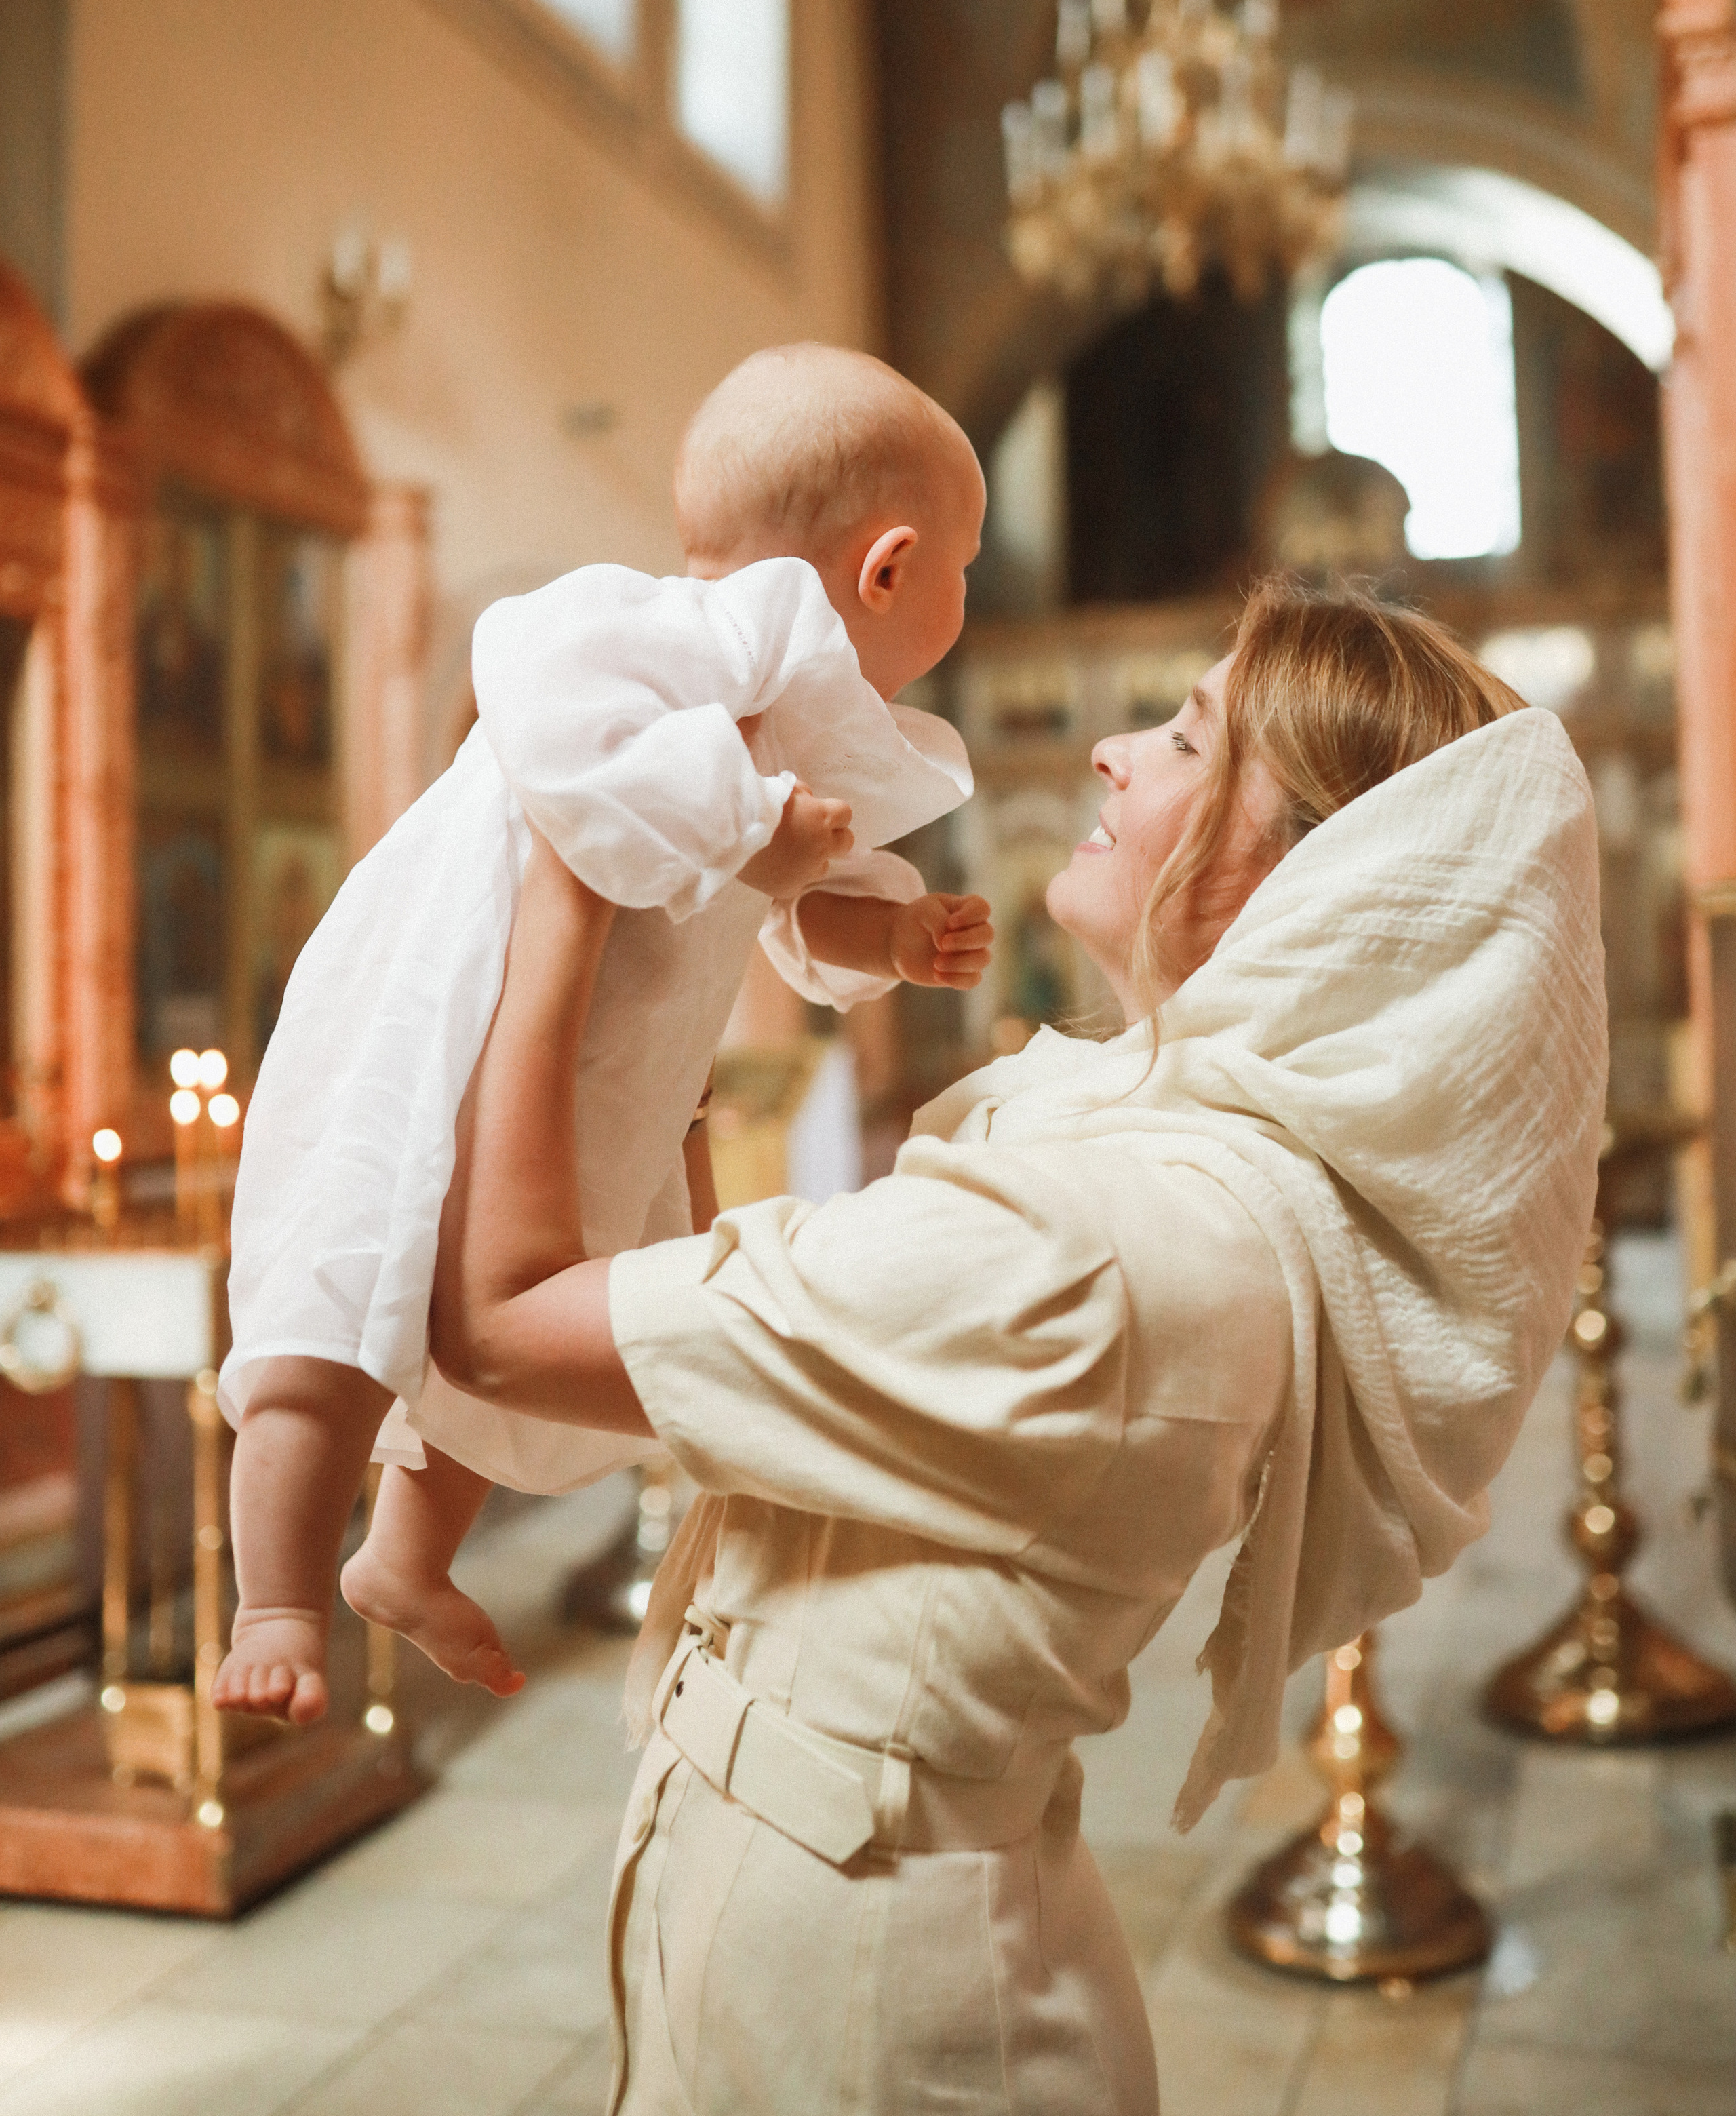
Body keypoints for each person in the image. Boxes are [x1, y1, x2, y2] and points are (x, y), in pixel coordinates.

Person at [431, 578, 1606, 2116]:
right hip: (791, 1906)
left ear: (1323, 877)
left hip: (869, 2004)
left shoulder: (1108, 1242)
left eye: (1185, 740)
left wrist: (568, 876)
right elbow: (724, 1375)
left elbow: (505, 1327)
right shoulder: (1140, 1162)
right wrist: (666, 1033)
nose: (1113, 751)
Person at [212, 345, 995, 1725]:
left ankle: (402, 1559)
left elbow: (789, 896)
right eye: (965, 569)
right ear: (888, 568)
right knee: (341, 1309)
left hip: (603, 1083)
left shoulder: (790, 719)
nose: (965, 596)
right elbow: (545, 698)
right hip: (456, 1026)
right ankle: (274, 1601)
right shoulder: (660, 633)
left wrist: (888, 936)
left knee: (526, 1346)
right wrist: (748, 825)